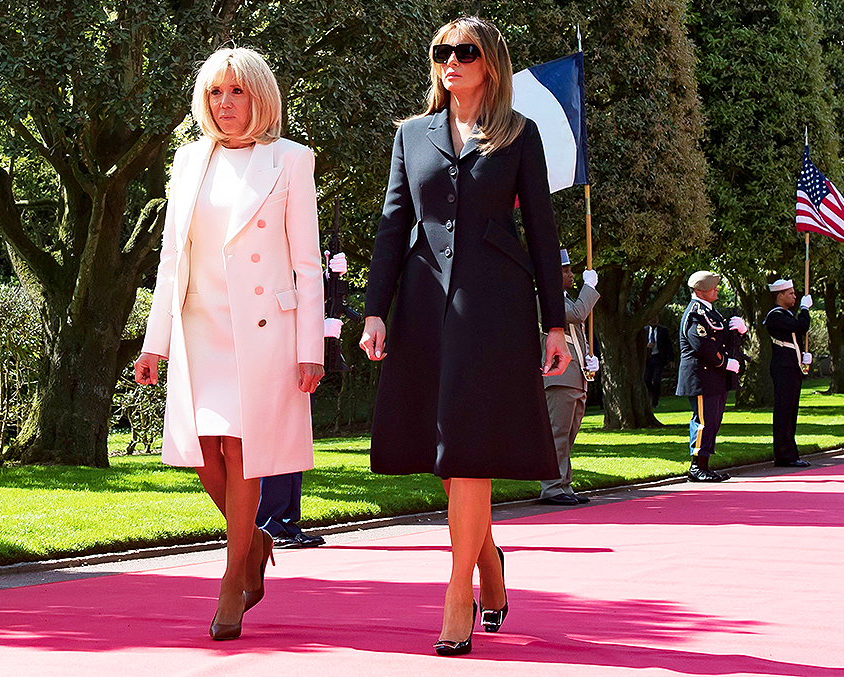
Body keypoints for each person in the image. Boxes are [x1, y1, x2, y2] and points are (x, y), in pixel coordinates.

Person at [359, 17, 569, 656]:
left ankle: (458, 594)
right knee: (445, 453)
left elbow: (542, 230)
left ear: (490, 63)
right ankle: (490, 561)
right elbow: (393, 224)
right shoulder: (410, 135)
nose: (451, 60)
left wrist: (555, 323)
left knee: (469, 446)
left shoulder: (519, 134)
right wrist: (374, 310)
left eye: (465, 51)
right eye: (441, 51)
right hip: (423, 302)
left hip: (494, 306)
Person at [133, 47, 323, 640]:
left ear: (260, 97)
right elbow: (171, 255)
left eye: (237, 91)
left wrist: (311, 347)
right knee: (203, 455)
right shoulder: (190, 159)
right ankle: (256, 541)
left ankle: (231, 578)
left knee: (242, 450)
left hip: (261, 330)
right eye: (215, 92)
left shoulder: (291, 159)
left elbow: (307, 261)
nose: (225, 103)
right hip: (201, 325)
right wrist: (155, 343)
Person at [255, 251, 347, 549]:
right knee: (276, 442)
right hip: (274, 349)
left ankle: (284, 521)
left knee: (292, 443)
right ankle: (268, 523)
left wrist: (330, 281)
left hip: (297, 357)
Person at [539, 249, 600, 506]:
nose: (571, 275)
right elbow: (576, 314)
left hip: (575, 376)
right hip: (559, 377)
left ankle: (564, 484)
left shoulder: (566, 299)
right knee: (558, 435)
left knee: (568, 436)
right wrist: (589, 288)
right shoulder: (547, 300)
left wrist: (589, 358)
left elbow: (575, 334)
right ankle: (552, 487)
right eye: (566, 271)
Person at [675, 271, 746, 482]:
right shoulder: (695, 314)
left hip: (715, 377)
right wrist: (725, 363)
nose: (716, 289)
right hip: (702, 377)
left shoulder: (711, 312)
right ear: (699, 290)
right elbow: (702, 346)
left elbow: (721, 341)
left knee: (713, 422)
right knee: (704, 422)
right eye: (711, 287)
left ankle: (704, 465)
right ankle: (697, 467)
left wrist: (739, 331)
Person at [763, 279, 812, 468]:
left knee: (791, 412)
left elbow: (795, 338)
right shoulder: (775, 315)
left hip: (791, 366)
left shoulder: (785, 315)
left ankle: (790, 454)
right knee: (784, 412)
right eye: (790, 293)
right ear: (780, 295)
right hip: (783, 368)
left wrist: (804, 359)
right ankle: (784, 455)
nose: (794, 296)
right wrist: (805, 309)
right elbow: (801, 326)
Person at [643, 314, 674, 408]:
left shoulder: (663, 330)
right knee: (646, 379)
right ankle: (652, 394)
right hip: (648, 358)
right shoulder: (644, 330)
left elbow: (668, 345)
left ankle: (655, 401)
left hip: (658, 358)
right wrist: (647, 346)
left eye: (655, 319)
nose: (653, 321)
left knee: (656, 380)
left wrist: (671, 359)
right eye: (651, 319)